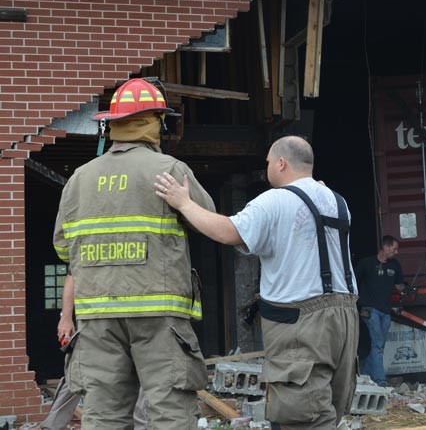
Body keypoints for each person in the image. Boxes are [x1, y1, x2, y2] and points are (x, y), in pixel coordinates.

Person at [155, 135, 359, 430]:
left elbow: (228, 231)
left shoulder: (275, 200)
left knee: (301, 415)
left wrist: (184, 203)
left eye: (267, 163)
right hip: (344, 316)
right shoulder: (337, 201)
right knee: (328, 407)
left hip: (302, 322)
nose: (266, 169)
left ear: (281, 163)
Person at [52, 78, 215, 430]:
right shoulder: (169, 170)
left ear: (112, 124)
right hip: (159, 313)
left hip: (97, 316)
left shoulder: (78, 179)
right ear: (156, 121)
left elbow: (63, 247)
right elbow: (209, 222)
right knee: (168, 412)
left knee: (104, 415)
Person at [36, 275, 148, 430]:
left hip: (136, 321)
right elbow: (72, 276)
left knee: (142, 374)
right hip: (94, 322)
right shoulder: (91, 253)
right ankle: (52, 426)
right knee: (77, 373)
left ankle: (140, 426)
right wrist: (66, 317)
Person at [354, 236, 404, 386]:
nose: (396, 252)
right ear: (386, 247)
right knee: (377, 344)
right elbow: (353, 281)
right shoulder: (366, 263)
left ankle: (364, 372)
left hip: (386, 311)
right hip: (369, 310)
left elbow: (398, 285)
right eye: (394, 248)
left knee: (380, 345)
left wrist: (406, 290)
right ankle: (380, 379)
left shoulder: (395, 265)